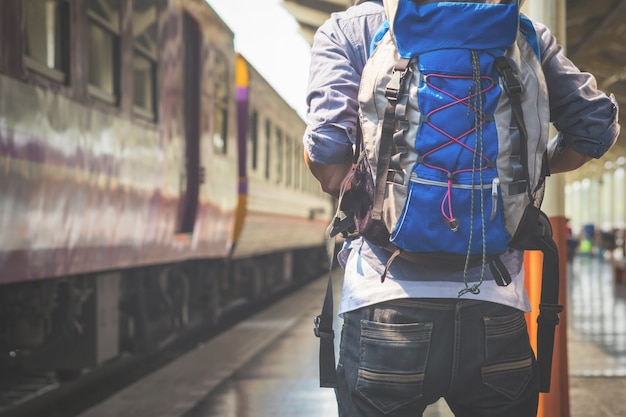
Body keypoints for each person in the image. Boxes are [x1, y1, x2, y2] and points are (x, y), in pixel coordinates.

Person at [303, 1, 620, 416]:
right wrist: (533, 165)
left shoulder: (349, 30)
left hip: (385, 307)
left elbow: (328, 159)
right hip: (495, 307)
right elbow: (595, 125)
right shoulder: (521, 33)